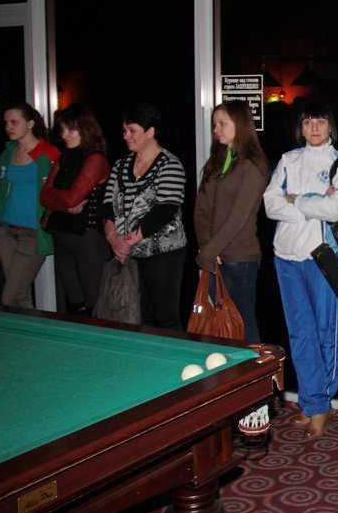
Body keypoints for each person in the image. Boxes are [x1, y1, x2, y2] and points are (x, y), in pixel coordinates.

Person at [263, 101, 338, 438]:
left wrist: (294, 199)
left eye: (320, 121)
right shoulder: (288, 160)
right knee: (299, 333)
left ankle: (322, 402)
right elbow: (270, 204)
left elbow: (337, 208)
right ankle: (311, 401)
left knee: (325, 331)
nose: (314, 128)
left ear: (331, 126)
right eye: (307, 122)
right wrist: (312, 201)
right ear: (300, 128)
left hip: (322, 258)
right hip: (285, 257)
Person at [102, 103, 187, 329]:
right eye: (124, 131)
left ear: (150, 132)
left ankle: (172, 353)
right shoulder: (120, 165)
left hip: (162, 255)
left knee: (165, 316)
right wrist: (113, 238)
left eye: (132, 130)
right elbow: (107, 204)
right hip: (127, 254)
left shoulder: (170, 165)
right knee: (135, 316)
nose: (126, 136)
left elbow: (165, 210)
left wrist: (128, 241)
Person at [195, 100, 269, 343]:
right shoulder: (216, 162)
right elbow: (201, 210)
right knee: (218, 325)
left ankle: (255, 367)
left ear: (240, 124)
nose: (216, 129)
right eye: (214, 124)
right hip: (214, 256)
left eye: (222, 123)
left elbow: (239, 217)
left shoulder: (253, 165)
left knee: (241, 324)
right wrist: (207, 248)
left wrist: (209, 251)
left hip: (239, 258)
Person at [41, 103, 110, 315]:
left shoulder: (95, 158)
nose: (64, 135)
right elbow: (44, 195)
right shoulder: (63, 157)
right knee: (74, 304)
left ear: (85, 129)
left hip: (86, 238)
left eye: (70, 129)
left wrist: (59, 201)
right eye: (63, 129)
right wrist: (65, 206)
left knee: (93, 303)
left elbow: (72, 198)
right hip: (62, 235)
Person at [0, 103, 60, 308]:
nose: (8, 127)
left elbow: (61, 190)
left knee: (10, 297)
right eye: (6, 123)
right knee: (20, 296)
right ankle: (31, 329)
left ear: (30, 124)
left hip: (33, 234)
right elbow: (2, 193)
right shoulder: (7, 153)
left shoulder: (48, 154)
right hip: (6, 231)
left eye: (14, 122)